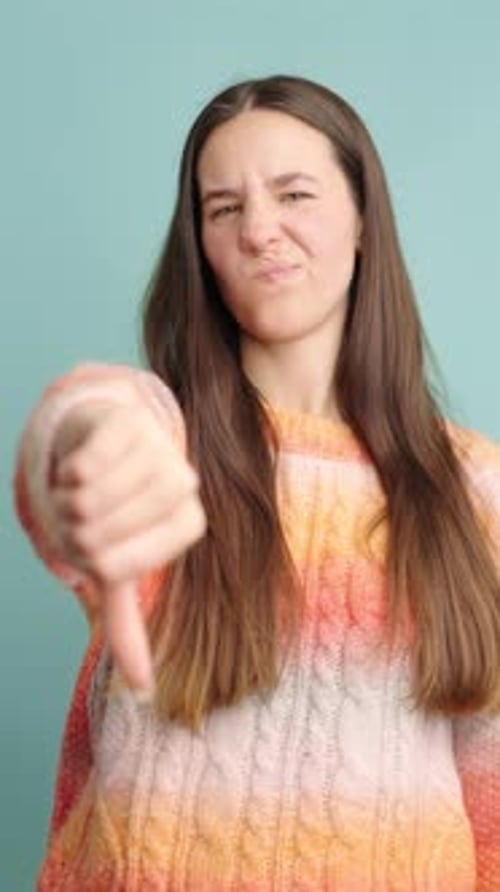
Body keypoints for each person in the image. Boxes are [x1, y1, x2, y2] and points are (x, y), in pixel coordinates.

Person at [14, 74, 500, 891]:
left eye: (294, 193)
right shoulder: (165, 440)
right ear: (199, 247)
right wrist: (76, 452)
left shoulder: (477, 489)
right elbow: (89, 424)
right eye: (223, 208)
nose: (259, 230)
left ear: (362, 223)